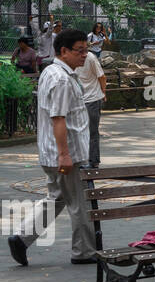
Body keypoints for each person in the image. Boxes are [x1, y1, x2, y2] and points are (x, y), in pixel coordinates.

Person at [7, 29, 96, 267]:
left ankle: (22, 238)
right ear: (64, 51)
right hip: (66, 155)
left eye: (86, 50)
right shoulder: (60, 78)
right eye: (80, 50)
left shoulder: (53, 72)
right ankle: (84, 251)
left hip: (55, 152)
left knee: (57, 197)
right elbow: (59, 118)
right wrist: (64, 155)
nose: (85, 55)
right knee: (79, 202)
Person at [75, 41, 107, 168]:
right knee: (79, 131)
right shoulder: (72, 59)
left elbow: (102, 76)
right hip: (79, 98)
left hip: (92, 98)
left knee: (92, 131)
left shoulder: (91, 58)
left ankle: (93, 160)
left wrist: (103, 91)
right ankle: (81, 159)